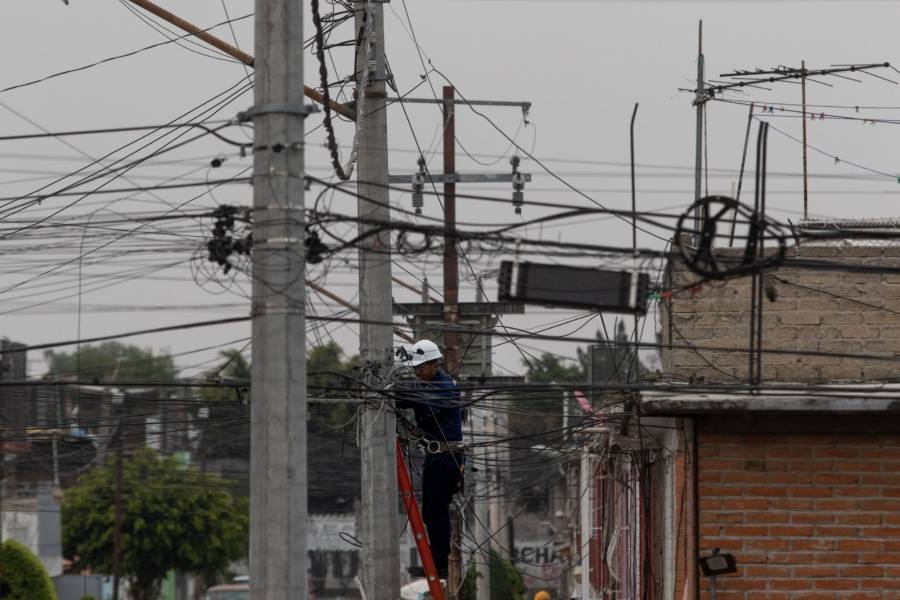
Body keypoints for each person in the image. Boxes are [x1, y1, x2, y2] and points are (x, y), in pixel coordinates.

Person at [397, 339, 464, 579]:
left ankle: (439, 565)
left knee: (437, 511)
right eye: (415, 369)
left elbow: (428, 407)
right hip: (435, 455)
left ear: (434, 363)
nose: (417, 373)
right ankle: (435, 562)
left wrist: (399, 394)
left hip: (447, 456)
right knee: (429, 512)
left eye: (421, 368)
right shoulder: (425, 385)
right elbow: (414, 399)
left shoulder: (445, 386)